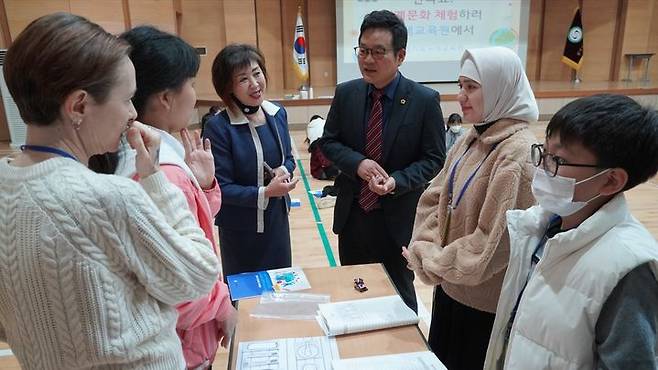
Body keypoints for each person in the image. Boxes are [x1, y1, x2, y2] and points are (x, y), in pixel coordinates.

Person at [0, 13, 220, 369]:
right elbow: (197, 275)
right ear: (79, 106)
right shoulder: (106, 197)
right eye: (126, 100)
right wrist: (155, 182)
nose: (132, 114)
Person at [484, 94, 658, 369]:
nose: (541, 167)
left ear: (611, 180)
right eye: (543, 152)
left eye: (557, 160)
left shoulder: (628, 269)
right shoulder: (538, 227)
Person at [403, 46, 538, 370]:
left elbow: (490, 246)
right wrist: (425, 245)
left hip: (483, 308)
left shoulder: (516, 154)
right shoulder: (469, 139)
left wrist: (432, 260)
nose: (460, 96)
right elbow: (434, 198)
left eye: (471, 87)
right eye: (460, 85)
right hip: (450, 289)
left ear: (499, 88)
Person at [116, 26, 236, 370]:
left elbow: (186, 230)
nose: (195, 96)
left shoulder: (142, 154)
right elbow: (177, 287)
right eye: (192, 84)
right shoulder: (159, 171)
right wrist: (222, 304)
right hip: (181, 349)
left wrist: (205, 186)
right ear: (165, 97)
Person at [320, 10, 445, 312]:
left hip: (397, 220)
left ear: (400, 55)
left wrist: (396, 182)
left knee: (399, 297)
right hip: (353, 217)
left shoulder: (424, 100)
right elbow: (329, 142)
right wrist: (358, 164)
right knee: (354, 292)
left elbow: (434, 158)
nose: (367, 60)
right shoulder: (347, 93)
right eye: (362, 51)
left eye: (378, 52)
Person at [203, 44, 298, 277]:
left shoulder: (277, 114)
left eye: (257, 73)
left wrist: (282, 170)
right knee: (246, 298)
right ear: (228, 87)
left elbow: (290, 159)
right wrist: (265, 192)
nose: (255, 84)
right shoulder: (218, 127)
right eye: (243, 79)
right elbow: (221, 188)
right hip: (241, 230)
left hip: (276, 221)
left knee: (280, 288)